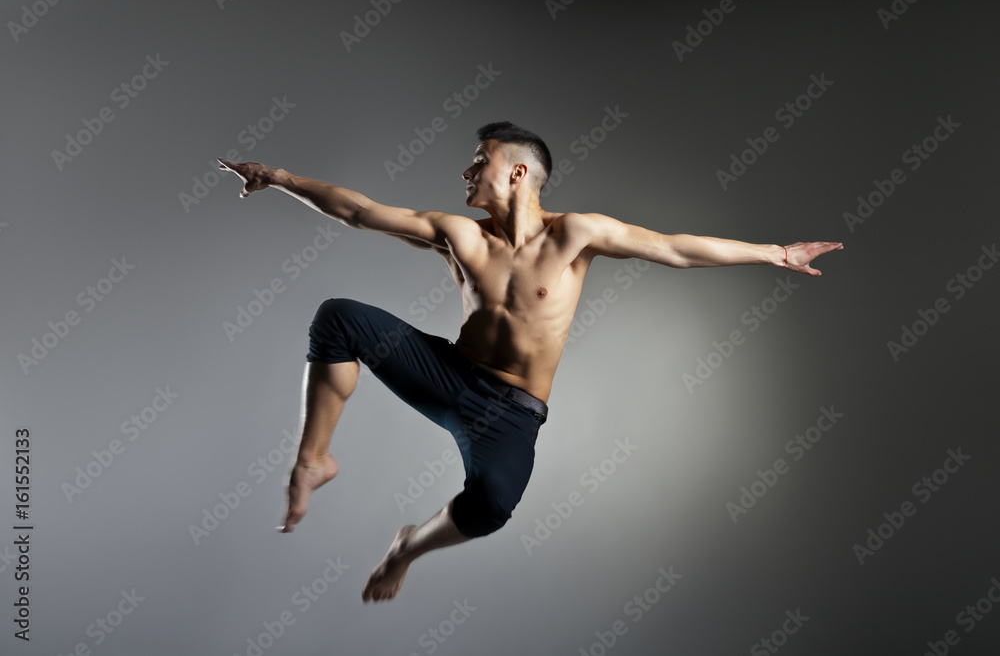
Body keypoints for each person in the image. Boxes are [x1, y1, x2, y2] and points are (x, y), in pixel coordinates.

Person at [218, 121, 843, 602]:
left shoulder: (576, 235)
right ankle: (314, 459)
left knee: (491, 505)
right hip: (449, 375)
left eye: (478, 160)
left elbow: (674, 248)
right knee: (339, 317)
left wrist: (775, 253)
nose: (465, 171)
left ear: (517, 173)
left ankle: (407, 547)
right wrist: (278, 176)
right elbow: (359, 212)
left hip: (511, 413)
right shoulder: (461, 236)